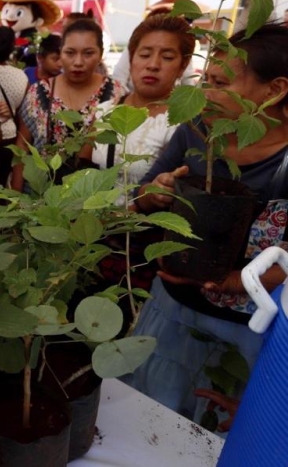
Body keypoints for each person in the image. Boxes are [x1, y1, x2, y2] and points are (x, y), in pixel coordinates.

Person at [123, 22, 288, 424]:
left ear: (275, 90)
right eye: (206, 80)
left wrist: (235, 281)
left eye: (221, 83)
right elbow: (142, 196)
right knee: (147, 417)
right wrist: (156, 192)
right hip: (172, 309)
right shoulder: (195, 131)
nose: (205, 94)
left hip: (246, 330)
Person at [91, 13, 195, 203]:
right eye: (145, 55)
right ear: (131, 60)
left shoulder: (186, 125)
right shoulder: (104, 112)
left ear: (183, 66)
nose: (153, 65)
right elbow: (81, 171)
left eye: (167, 57)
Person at [12, 19, 125, 192]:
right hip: (41, 195)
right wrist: (15, 195)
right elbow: (22, 146)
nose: (78, 62)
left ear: (101, 54)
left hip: (95, 198)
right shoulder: (39, 93)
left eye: (88, 53)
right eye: (70, 53)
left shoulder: (116, 94)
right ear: (61, 52)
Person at [0, 25, 30, 186]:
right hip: (10, 137)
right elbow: (24, 113)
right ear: (11, 48)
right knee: (3, 182)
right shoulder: (21, 76)